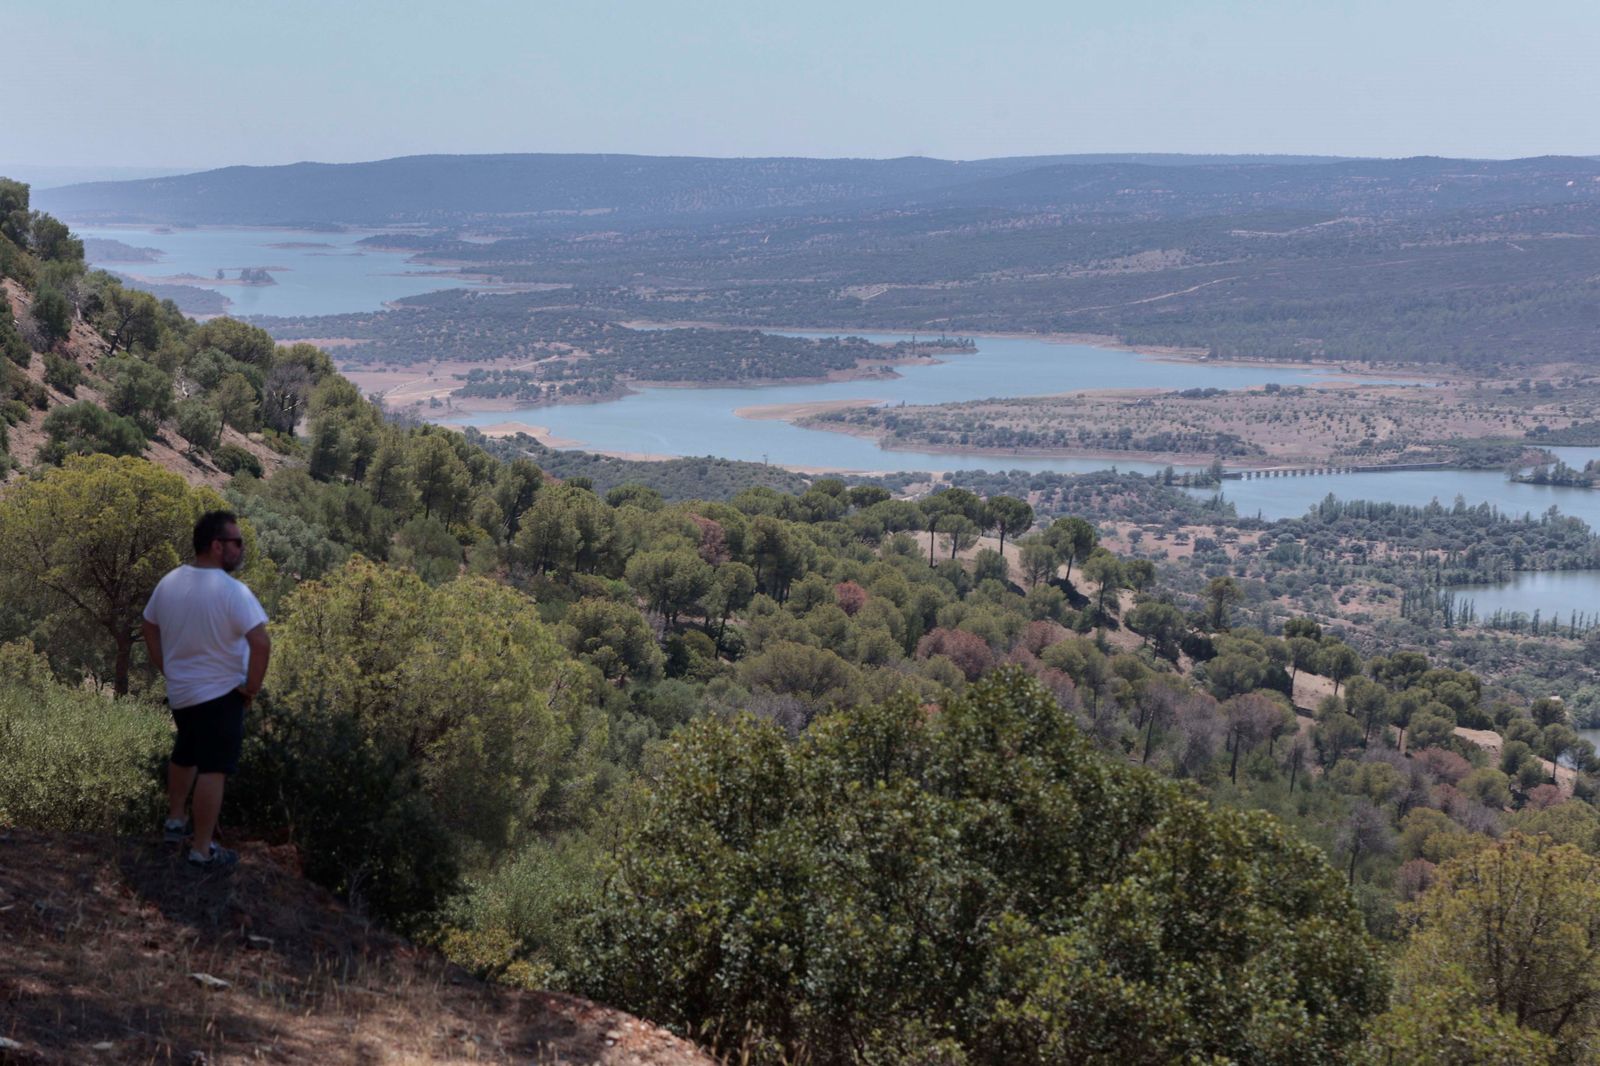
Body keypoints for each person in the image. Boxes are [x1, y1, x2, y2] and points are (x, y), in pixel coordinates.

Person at [141, 510, 270, 870]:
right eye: (237, 543)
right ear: (217, 546)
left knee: (186, 753)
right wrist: (252, 688)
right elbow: (261, 644)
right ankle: (201, 850)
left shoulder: (169, 582)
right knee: (214, 769)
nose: (242, 549)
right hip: (221, 694)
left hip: (182, 693)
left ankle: (175, 821)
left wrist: (166, 665)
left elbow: (148, 624)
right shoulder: (234, 592)